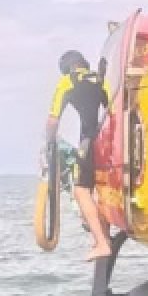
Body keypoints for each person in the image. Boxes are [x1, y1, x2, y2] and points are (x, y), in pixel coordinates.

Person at [46, 50, 112, 260]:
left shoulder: (68, 81)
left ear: (67, 68)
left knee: (81, 191)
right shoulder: (100, 79)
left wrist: (50, 140)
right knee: (98, 189)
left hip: (89, 141)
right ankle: (104, 238)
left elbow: (53, 120)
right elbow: (112, 109)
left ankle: (101, 243)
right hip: (107, 142)